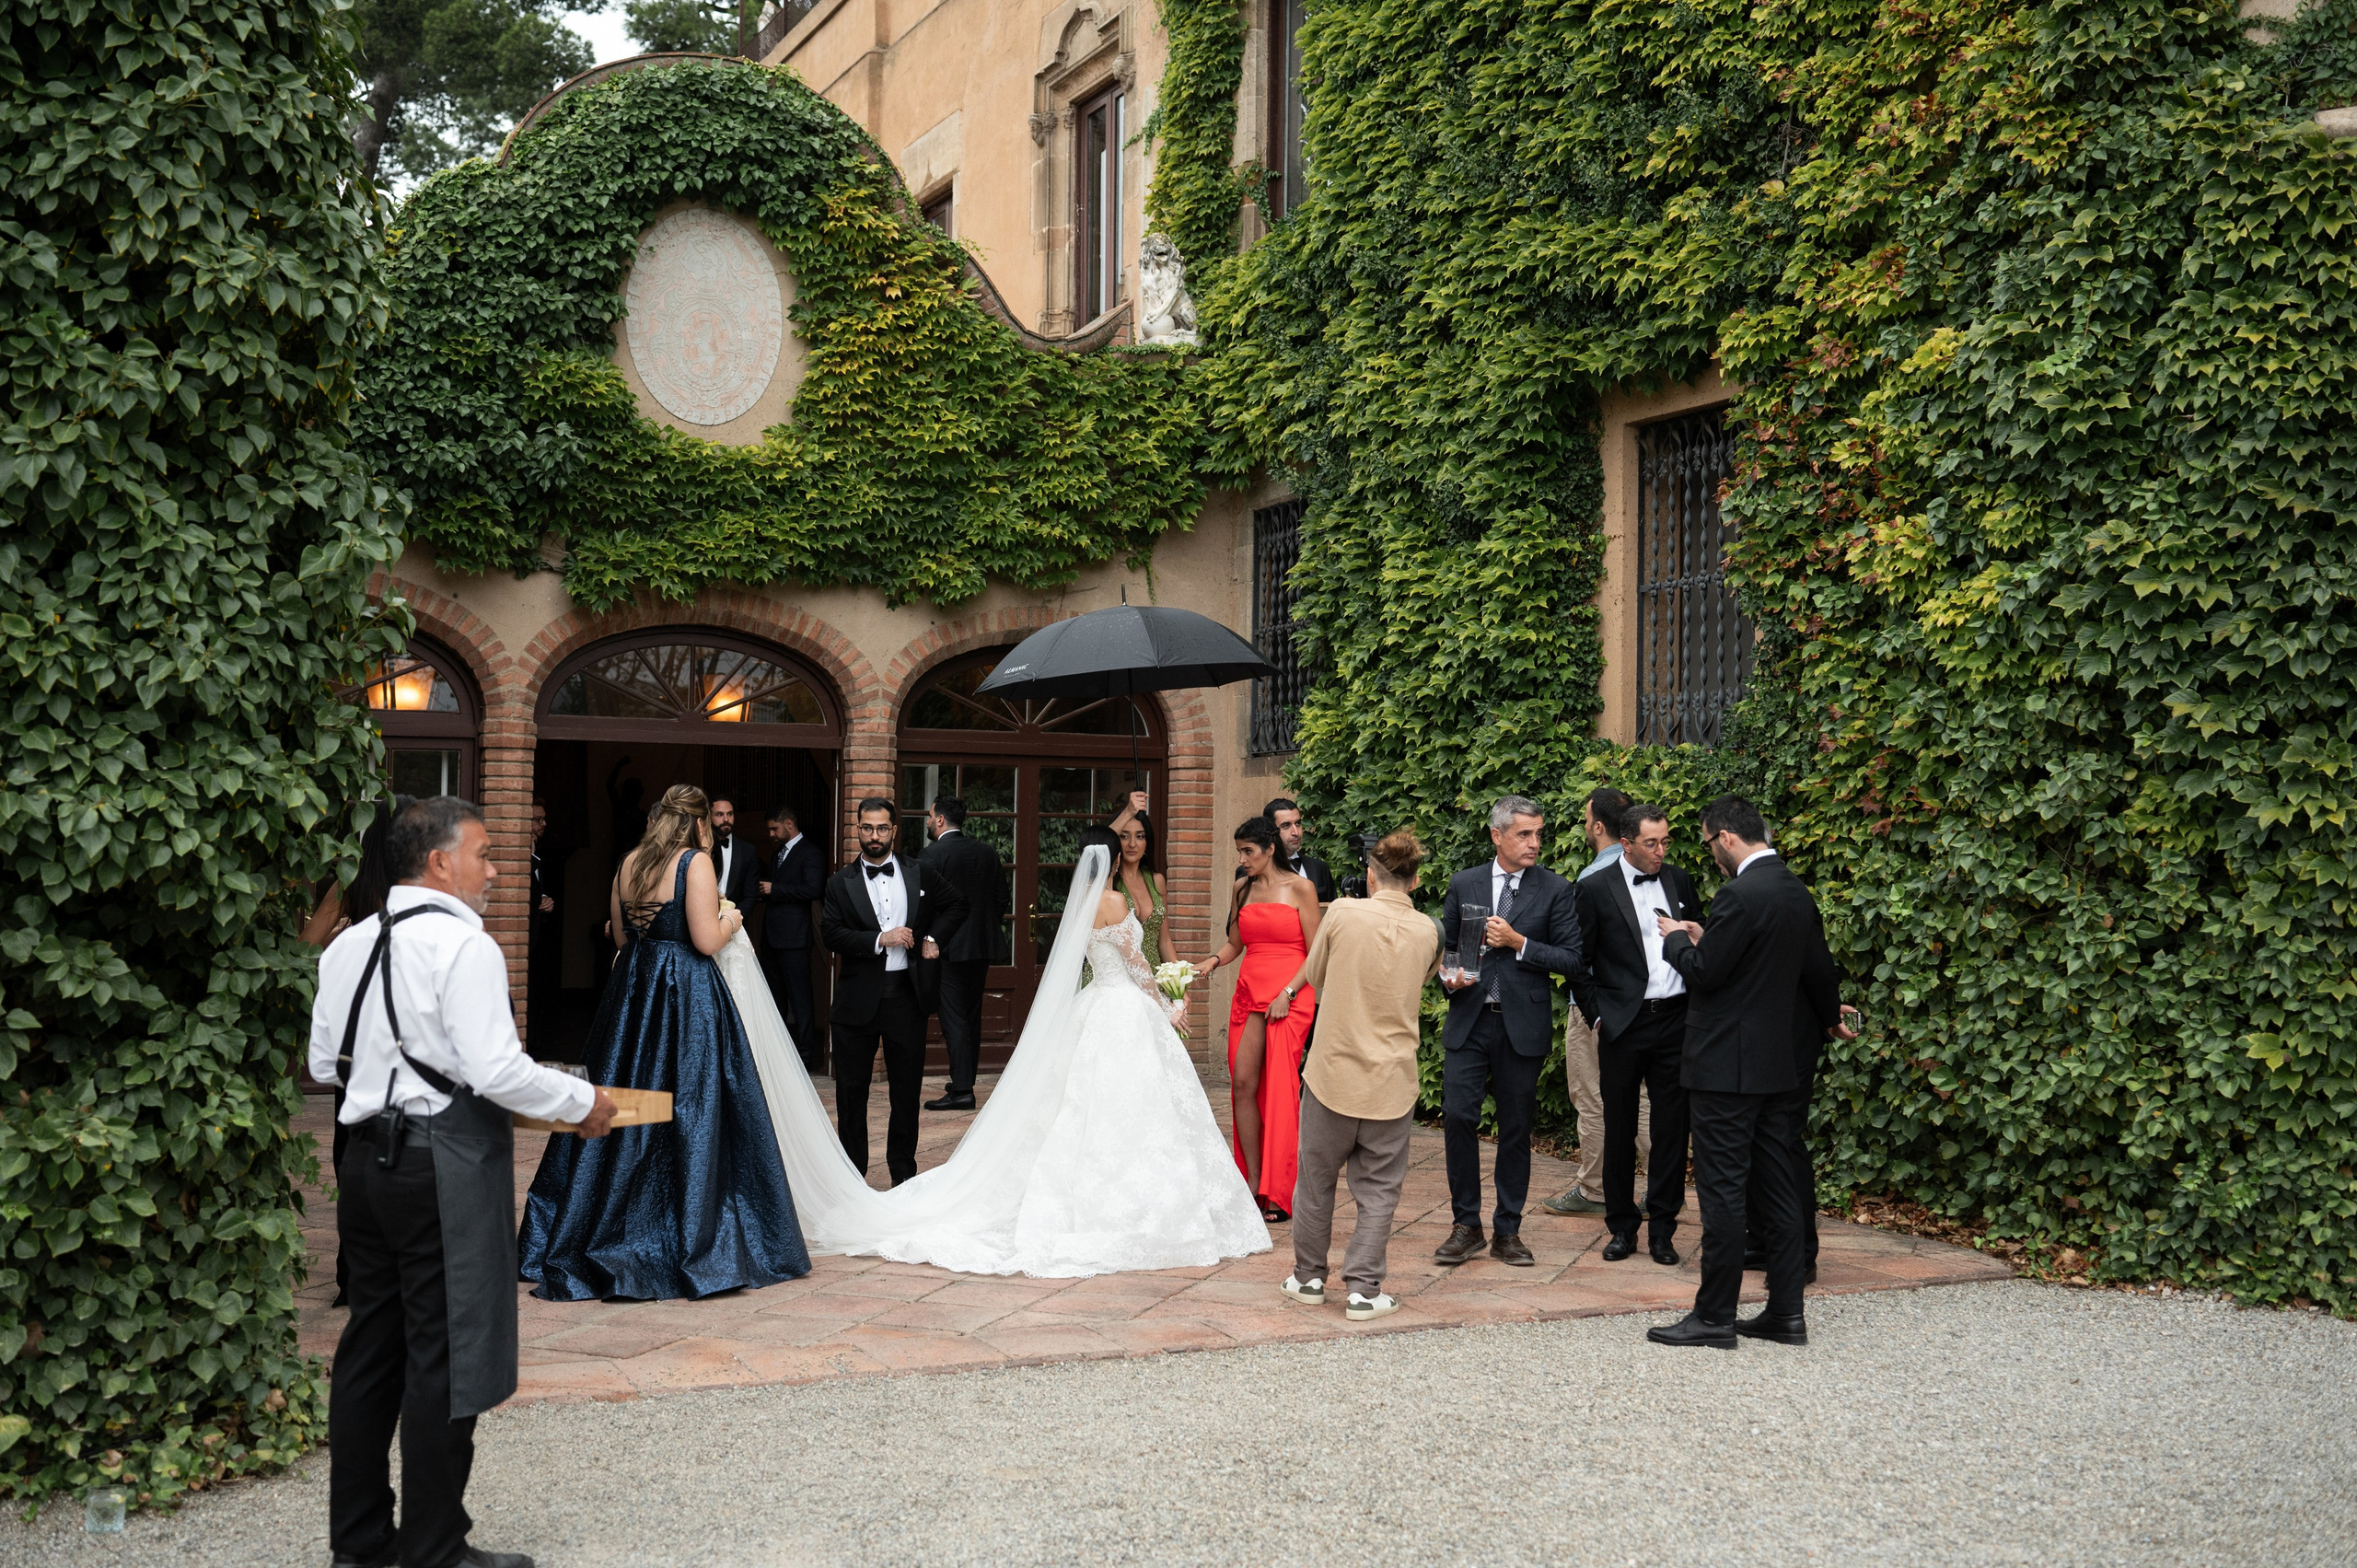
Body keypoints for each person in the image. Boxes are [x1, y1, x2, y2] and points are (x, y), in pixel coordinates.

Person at [711, 835, 1269, 1275]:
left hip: (1095, 1005)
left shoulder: (1080, 910)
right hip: (1124, 1009)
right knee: (1134, 1109)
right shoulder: (1117, 901)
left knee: (1079, 1106)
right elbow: (1139, 961)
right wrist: (1169, 1002)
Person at [310, 796, 619, 1568]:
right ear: (439, 861)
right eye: (483, 853)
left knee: (370, 1349)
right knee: (444, 1353)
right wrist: (587, 1102)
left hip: (364, 1163)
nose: (494, 869)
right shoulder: (465, 945)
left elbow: (322, 1066)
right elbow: (496, 1070)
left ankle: (358, 1543)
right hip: (438, 1166)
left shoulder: (347, 946)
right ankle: (436, 1549)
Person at [518, 784, 811, 1301]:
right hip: (684, 993)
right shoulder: (694, 862)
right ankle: (690, 1243)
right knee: (693, 1106)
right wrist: (732, 918)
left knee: (625, 1103)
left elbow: (622, 935)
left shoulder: (628, 862)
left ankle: (589, 1224)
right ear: (699, 823)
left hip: (631, 991)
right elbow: (704, 940)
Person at [1645, 795, 1850, 1350]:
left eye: (1710, 843)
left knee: (1724, 1193)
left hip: (1724, 1072)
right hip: (1779, 1068)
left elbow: (1707, 975)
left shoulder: (1738, 895)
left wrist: (1675, 942)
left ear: (1727, 838)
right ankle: (1786, 1314)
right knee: (1779, 1190)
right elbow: (1814, 968)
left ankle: (1714, 1317)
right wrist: (1831, 1019)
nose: (1711, 854)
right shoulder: (1793, 890)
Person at [1269, 829, 1441, 1323]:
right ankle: (1365, 1289)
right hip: (1391, 1079)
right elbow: (1421, 979)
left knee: (1316, 1182)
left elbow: (1317, 978)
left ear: (1371, 874)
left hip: (1333, 1073)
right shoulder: (1429, 930)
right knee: (1380, 1191)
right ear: (1415, 878)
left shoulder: (1342, 912)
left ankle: (1307, 1278)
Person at [1435, 795, 1584, 1267]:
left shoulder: (1556, 889)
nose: (1534, 842)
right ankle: (1466, 1225)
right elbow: (1451, 948)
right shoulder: (1465, 882)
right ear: (1497, 835)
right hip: (1470, 1019)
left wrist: (1521, 944)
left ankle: (1508, 1230)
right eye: (1524, 833)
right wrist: (1449, 975)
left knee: (1517, 1129)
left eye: (1539, 833)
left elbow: (1572, 959)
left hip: (1522, 1022)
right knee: (1458, 1117)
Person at [1566, 803, 1701, 1265]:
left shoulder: (1680, 880)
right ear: (1626, 844)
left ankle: (1664, 1229)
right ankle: (1622, 1227)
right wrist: (1598, 1015)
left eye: (1665, 841)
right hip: (1624, 1023)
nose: (1662, 850)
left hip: (1676, 1020)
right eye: (1651, 843)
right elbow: (1577, 962)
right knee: (1619, 1128)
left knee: (1670, 1129)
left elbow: (1700, 941)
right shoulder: (1594, 887)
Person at [820, 796, 968, 1183]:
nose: (874, 836)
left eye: (882, 828)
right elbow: (831, 934)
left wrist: (934, 936)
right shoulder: (840, 882)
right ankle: (853, 1180)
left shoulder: (919, 871)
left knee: (906, 1092)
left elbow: (957, 904)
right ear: (857, 830)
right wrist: (880, 938)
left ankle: (904, 1177)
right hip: (857, 1001)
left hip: (908, 995)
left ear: (894, 830)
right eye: (867, 828)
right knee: (852, 1094)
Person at [303, 793, 414, 1308]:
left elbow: (304, 948)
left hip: (357, 1046)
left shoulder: (350, 889)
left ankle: (356, 1279)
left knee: (354, 1158)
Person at [1201, 816, 1322, 1222]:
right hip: (1250, 991)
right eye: (1240, 851)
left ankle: (1279, 1191)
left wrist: (1288, 993)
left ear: (1271, 849)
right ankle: (1251, 1182)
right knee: (1242, 1083)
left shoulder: (1302, 889)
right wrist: (1212, 962)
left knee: (1280, 1089)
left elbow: (1316, 953)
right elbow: (1237, 943)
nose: (1243, 859)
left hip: (1290, 993)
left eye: (1248, 851)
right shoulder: (1241, 888)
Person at [1543, 786, 1640, 1217]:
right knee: (1645, 1098)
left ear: (1598, 826)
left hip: (1596, 1007)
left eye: (1586, 819)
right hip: (1644, 1006)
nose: (1584, 826)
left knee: (1592, 1097)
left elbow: (1576, 954)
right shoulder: (1649, 872)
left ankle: (1595, 1189)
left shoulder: (1591, 879)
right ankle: (1660, 1189)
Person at [918, 795, 1006, 1111]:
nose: (928, 821)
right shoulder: (987, 852)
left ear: (940, 820)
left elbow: (923, 905)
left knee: (954, 1019)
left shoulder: (931, 854)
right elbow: (1000, 899)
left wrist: (930, 938)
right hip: (982, 946)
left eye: (930, 817)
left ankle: (961, 1091)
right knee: (971, 1016)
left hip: (948, 947)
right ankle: (963, 1078)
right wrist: (983, 930)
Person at [757, 803, 826, 1070]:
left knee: (800, 1001)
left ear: (788, 824)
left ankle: (806, 1059)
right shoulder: (777, 856)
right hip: (771, 939)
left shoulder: (811, 853)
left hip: (796, 940)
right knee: (775, 1002)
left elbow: (812, 889)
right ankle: (779, 1059)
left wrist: (776, 889)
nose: (771, 834)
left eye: (774, 828)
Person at [1105, 787, 1172, 968]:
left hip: (1152, 975)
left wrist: (1179, 983)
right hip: (1115, 979)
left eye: (1140, 836)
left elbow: (1164, 941)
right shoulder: (1107, 883)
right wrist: (1128, 812)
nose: (1132, 844)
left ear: (1147, 842)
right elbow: (1098, 846)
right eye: (1124, 836)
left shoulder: (1157, 881)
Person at [1232, 796, 1337, 901]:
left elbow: (1331, 914)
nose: (1295, 832)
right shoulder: (1247, 872)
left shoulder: (1320, 868)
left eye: (1298, 823)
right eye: (1286, 826)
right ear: (1270, 829)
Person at [527, 800, 563, 1040]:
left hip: (538, 940)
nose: (543, 824)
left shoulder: (537, 856)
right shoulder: (522, 858)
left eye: (544, 819)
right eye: (538, 819)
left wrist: (545, 900)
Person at [709, 796, 759, 913]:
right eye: (720, 814)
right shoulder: (700, 847)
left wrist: (732, 919)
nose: (726, 819)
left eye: (730, 814)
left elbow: (751, 896)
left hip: (735, 921)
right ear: (709, 817)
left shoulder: (748, 851)